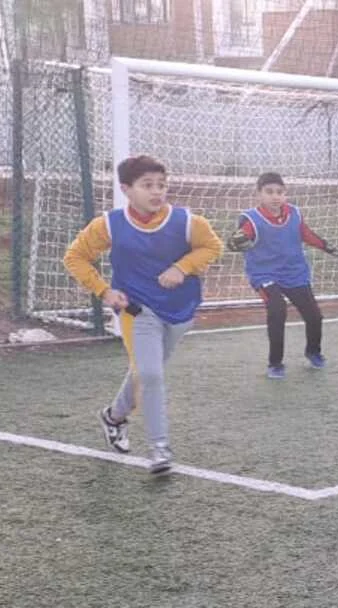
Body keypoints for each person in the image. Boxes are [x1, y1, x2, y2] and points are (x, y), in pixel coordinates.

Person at [63, 154, 224, 474]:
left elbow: (212, 247)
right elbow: (75, 257)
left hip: (181, 310)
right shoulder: (109, 225)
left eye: (161, 185)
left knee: (144, 372)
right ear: (126, 189)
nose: (156, 192)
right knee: (150, 375)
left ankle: (113, 416)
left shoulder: (188, 221)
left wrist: (182, 267)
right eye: (147, 185)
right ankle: (160, 450)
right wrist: (104, 291)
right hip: (137, 310)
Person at [228, 172, 338, 379]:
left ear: (285, 194)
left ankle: (313, 352)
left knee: (314, 315)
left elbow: (307, 235)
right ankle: (275, 363)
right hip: (265, 274)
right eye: (269, 192)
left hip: (294, 273)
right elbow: (238, 239)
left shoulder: (295, 214)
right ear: (259, 195)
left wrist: (329, 248)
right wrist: (236, 241)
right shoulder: (252, 220)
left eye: (280, 192)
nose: (275, 196)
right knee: (277, 308)